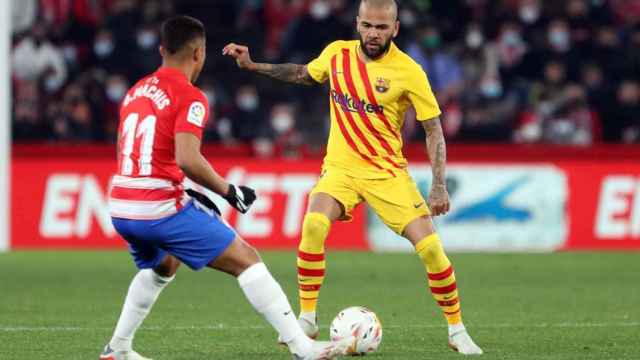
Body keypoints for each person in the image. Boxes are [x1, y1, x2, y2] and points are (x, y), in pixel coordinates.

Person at [224, 0, 483, 355]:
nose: (373, 34)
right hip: (341, 168)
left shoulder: (409, 71)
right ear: (358, 23)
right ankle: (308, 319)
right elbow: (302, 74)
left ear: (395, 28)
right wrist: (254, 65)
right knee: (314, 224)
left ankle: (457, 330)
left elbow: (433, 130)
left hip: (387, 173)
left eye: (381, 27)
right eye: (367, 26)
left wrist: (438, 183)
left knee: (432, 250)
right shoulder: (337, 54)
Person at [100, 15, 350, 360]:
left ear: (161, 50)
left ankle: (118, 348)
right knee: (247, 260)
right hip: (156, 206)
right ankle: (303, 347)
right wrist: (229, 191)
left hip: (120, 204)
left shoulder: (135, 90)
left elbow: (129, 150)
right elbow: (187, 158)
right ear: (199, 54)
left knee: (164, 264)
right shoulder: (190, 96)